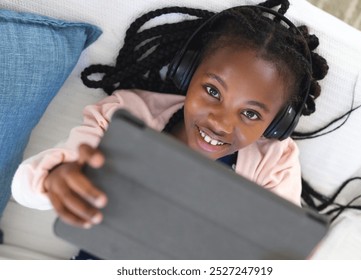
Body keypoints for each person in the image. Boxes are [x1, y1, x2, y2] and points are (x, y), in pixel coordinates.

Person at [12, 0, 329, 230]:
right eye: (213, 92)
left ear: (277, 123)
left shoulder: (274, 163)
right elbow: (26, 186)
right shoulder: (126, 116)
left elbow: (284, 247)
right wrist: (56, 178)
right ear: (186, 72)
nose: (220, 122)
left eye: (249, 113)